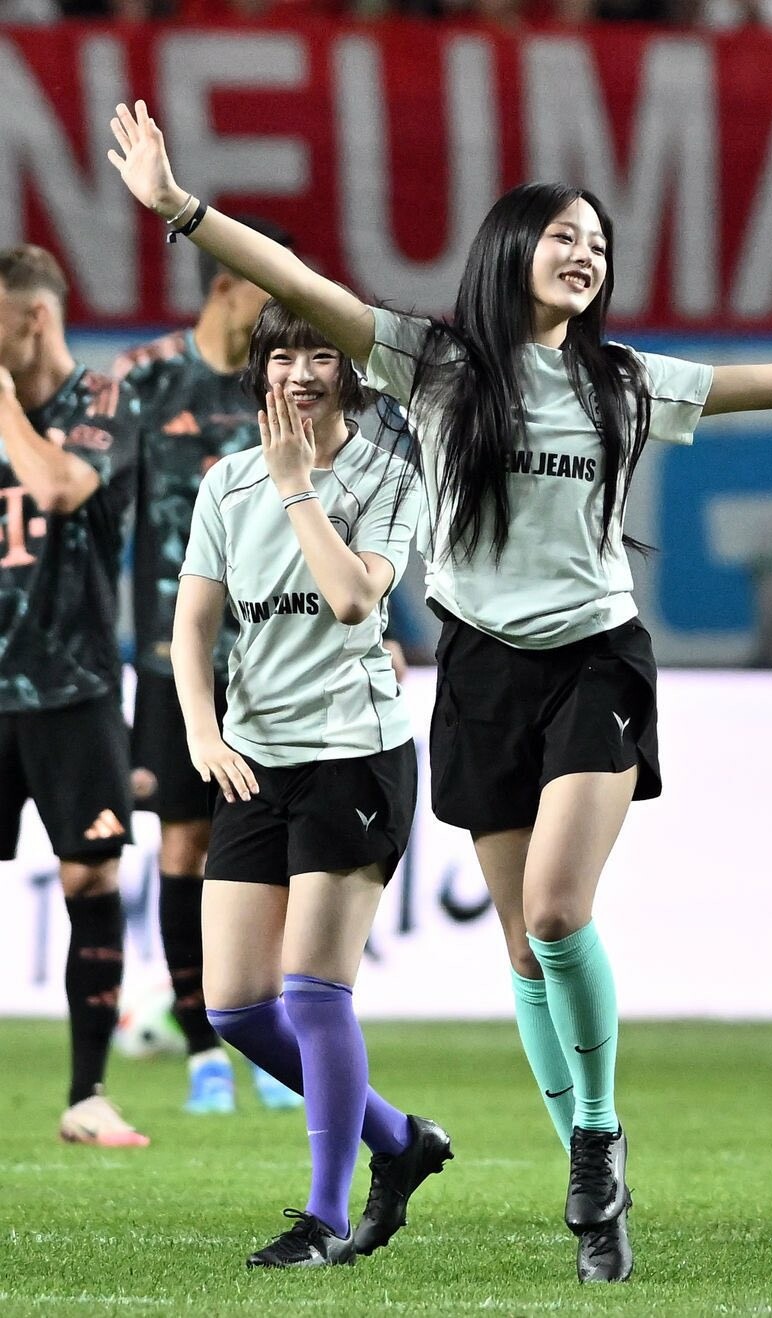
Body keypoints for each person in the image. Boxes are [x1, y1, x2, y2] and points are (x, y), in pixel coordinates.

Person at [107, 98, 772, 1284]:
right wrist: (181, 209)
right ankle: (588, 1165)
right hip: (481, 671)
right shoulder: (435, 367)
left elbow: (765, 378)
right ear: (513, 247)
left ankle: (597, 1134)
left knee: (559, 912)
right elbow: (298, 283)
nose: (585, 253)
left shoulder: (620, 379)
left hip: (596, 662)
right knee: (522, 944)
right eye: (565, 234)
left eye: (597, 242)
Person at [172, 296, 451, 1268]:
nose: (299, 373)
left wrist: (298, 491)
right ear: (260, 371)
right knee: (237, 1007)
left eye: (321, 355)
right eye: (282, 356)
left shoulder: (388, 476)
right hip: (255, 758)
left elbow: (351, 599)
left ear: (352, 372)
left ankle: (325, 1219)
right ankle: (400, 1139)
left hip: (353, 753)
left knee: (316, 992)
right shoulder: (225, 482)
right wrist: (202, 730)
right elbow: (193, 623)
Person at [112, 215, 307, 1116]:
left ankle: (264, 1036)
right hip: (174, 657)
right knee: (183, 845)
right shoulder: (146, 379)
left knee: (278, 853)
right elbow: (95, 506)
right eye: (268, 280)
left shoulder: (285, 382)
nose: (286, 297)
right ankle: (201, 1050)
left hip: (278, 655)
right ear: (225, 284)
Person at [0, 244, 147, 1147]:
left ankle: (88, 1095)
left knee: (91, 876)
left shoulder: (104, 403)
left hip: (73, 685)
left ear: (35, 317)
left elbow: (57, 487)